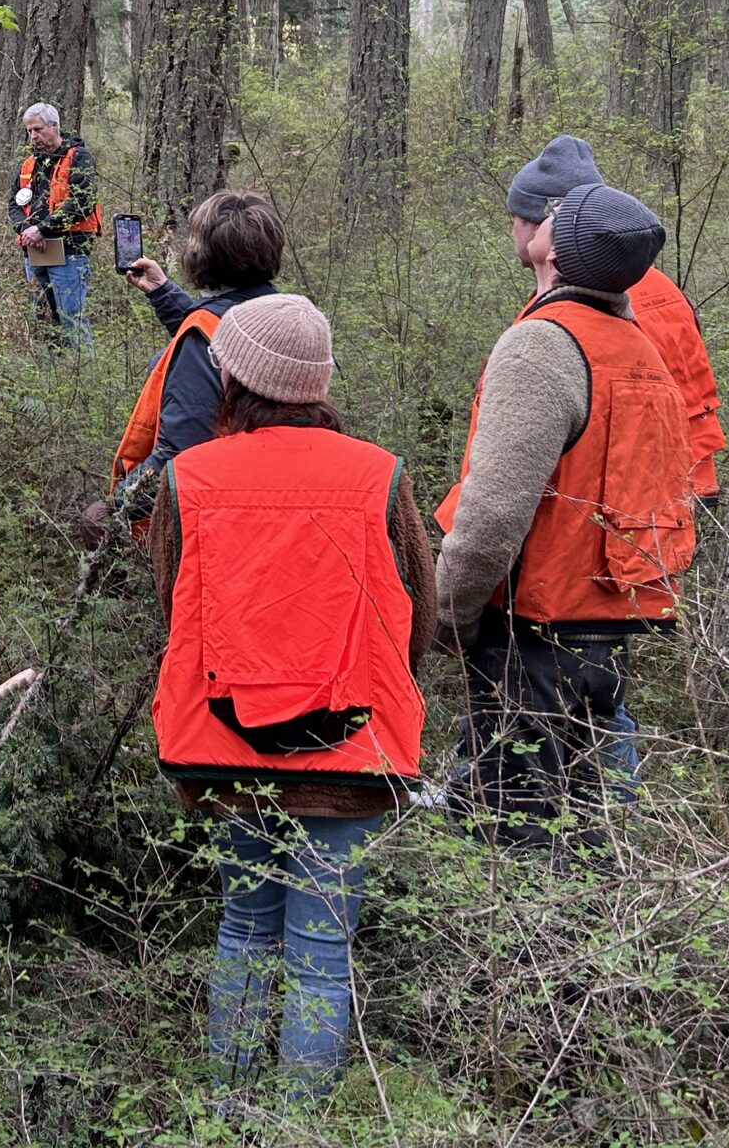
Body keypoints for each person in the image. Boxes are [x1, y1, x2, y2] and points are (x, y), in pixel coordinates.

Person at [145, 294, 435, 1104]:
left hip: (226, 753)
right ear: (320, 383)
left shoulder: (188, 476)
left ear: (232, 375)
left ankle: (229, 1111)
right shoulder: (381, 475)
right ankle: (300, 1125)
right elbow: (419, 612)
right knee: (320, 949)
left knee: (243, 927)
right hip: (353, 757)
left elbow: (174, 607)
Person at [434, 182, 696, 853]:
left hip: (530, 644)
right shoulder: (640, 351)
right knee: (582, 843)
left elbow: (491, 519)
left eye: (555, 216)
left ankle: (524, 960)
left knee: (516, 849)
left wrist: (449, 618)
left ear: (559, 247)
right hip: (605, 637)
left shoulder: (542, 347)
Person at [501, 135, 723, 796]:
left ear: (549, 225)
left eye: (519, 219)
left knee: (580, 680)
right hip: (656, 502)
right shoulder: (636, 282)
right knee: (593, 676)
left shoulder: (613, 300)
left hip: (629, 509)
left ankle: (607, 810)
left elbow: (610, 428)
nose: (513, 233)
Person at [111, 189, 288, 534]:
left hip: (213, 521)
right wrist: (164, 293)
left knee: (95, 520)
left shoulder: (201, 345)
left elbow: (180, 457)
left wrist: (121, 505)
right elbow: (227, 329)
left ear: (201, 256)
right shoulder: (284, 315)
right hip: (270, 498)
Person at [8, 101, 99, 351]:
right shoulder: (28, 164)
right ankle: (51, 378)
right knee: (44, 320)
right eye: (29, 131)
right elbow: (13, 205)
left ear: (54, 126)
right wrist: (28, 231)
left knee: (71, 318)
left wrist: (43, 229)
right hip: (33, 252)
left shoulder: (79, 157)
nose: (33, 136)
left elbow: (84, 201)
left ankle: (83, 378)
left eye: (37, 129)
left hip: (69, 251)